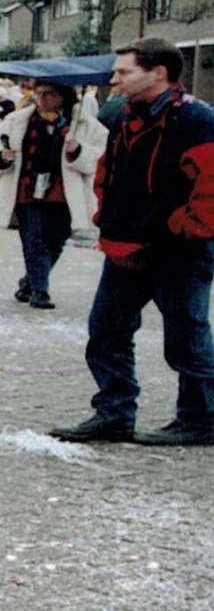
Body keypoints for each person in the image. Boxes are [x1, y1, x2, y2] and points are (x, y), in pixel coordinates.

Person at [51, 38, 214, 446]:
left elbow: (210, 190)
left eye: (124, 72)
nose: (114, 79)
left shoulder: (197, 119)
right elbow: (108, 171)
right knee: (106, 332)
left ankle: (200, 418)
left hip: (179, 252)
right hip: (124, 249)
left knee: (187, 338)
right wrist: (107, 220)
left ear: (158, 73)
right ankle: (114, 414)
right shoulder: (125, 116)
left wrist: (183, 228)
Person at [0, 81, 106, 310]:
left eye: (48, 94)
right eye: (38, 94)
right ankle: (40, 291)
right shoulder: (17, 120)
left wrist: (79, 152)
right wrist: (1, 156)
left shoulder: (84, 123)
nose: (41, 99)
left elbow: (103, 154)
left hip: (63, 193)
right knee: (34, 240)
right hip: (27, 190)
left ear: (63, 96)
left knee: (56, 241)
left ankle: (29, 282)